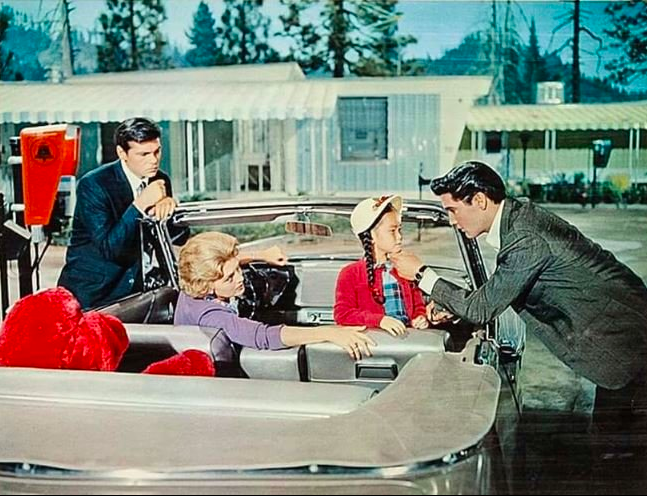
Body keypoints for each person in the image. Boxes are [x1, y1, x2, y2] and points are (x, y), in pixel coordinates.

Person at [391, 160, 647, 419]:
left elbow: (481, 308)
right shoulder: (519, 219)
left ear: (479, 200)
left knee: (618, 435)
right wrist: (454, 307)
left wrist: (422, 274)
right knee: (609, 430)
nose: (452, 221)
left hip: (628, 343)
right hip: (622, 342)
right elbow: (497, 290)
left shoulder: (524, 238)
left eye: (453, 210)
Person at [174, 231, 376, 360]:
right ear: (206, 286)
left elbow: (228, 263)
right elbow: (263, 336)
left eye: (238, 269)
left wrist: (260, 255)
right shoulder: (210, 316)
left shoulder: (198, 281)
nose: (240, 278)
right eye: (230, 278)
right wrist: (328, 333)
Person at [58, 117, 181, 309]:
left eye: (157, 151)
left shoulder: (159, 179)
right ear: (122, 153)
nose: (153, 160)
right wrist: (140, 205)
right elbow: (111, 248)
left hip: (137, 290)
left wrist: (170, 208)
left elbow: (177, 237)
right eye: (144, 154)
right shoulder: (94, 184)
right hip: (94, 294)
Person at [334, 195, 429, 335]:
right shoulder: (350, 274)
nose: (400, 237)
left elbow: (418, 306)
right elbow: (343, 315)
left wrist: (419, 318)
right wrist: (380, 320)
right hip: (376, 342)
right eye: (392, 231)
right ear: (372, 235)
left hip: (408, 338)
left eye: (399, 230)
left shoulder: (407, 268)